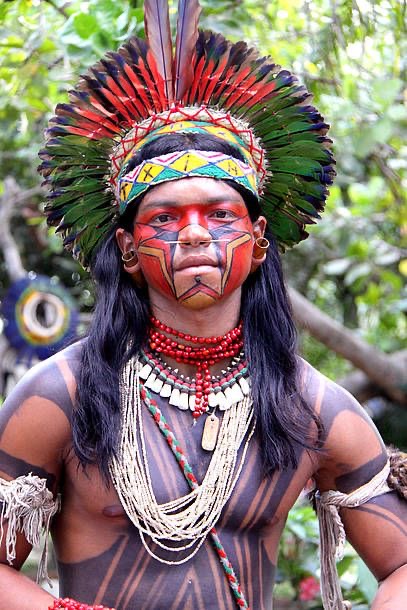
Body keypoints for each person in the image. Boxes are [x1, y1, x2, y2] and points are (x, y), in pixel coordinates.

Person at [0, 2, 406, 609]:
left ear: (259, 240)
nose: (194, 234)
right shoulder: (61, 396)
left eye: (219, 215)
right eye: (165, 218)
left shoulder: (311, 406)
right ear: (128, 248)